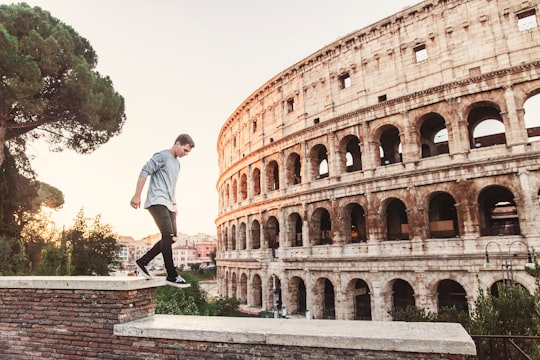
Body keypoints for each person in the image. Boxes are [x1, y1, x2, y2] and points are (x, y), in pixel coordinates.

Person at [130, 133, 195, 288]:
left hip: (169, 203)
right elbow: (144, 171)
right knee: (166, 234)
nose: (185, 155)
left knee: (172, 239)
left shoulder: (177, 164)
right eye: (185, 150)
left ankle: (142, 261)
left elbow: (172, 186)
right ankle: (172, 275)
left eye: (188, 152)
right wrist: (137, 195)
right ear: (178, 143)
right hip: (156, 200)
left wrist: (175, 205)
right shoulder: (162, 156)